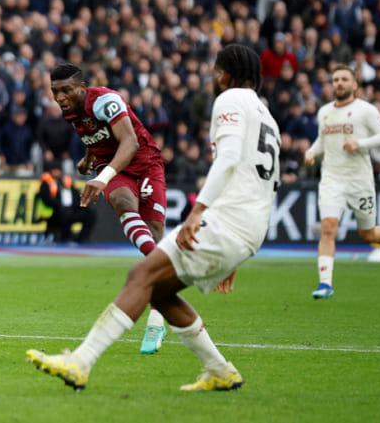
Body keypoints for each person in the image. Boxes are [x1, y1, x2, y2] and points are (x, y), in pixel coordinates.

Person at [27, 44, 281, 391]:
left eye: (213, 72)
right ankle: (219, 370)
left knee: (141, 275)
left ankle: (79, 362)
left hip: (222, 218)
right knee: (156, 289)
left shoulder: (229, 100)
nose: (211, 79)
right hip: (250, 227)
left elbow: (228, 159)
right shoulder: (266, 116)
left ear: (224, 75)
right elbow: (263, 181)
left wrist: (198, 212)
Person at [47, 63, 168, 354]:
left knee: (154, 232)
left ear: (81, 87)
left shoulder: (105, 100)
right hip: (112, 168)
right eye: (55, 92)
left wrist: (101, 178)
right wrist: (90, 157)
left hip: (145, 161)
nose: (60, 97)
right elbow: (95, 131)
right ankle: (164, 267)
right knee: (122, 202)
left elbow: (129, 140)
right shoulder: (69, 110)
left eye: (66, 90)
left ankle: (157, 317)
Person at [304, 65, 380, 299]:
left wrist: (359, 144)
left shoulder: (366, 111)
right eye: (335, 79)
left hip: (359, 181)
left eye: (344, 79)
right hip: (332, 179)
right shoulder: (325, 112)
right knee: (328, 228)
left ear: (354, 85)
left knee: (368, 234)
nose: (339, 83)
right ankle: (325, 284)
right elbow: (322, 141)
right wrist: (311, 153)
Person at [37, 160, 96, 244]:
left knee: (90, 215)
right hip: (55, 211)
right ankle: (66, 239)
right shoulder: (47, 182)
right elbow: (46, 198)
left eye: (59, 170)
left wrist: (79, 205)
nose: (57, 173)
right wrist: (60, 205)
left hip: (71, 209)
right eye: (55, 170)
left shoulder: (66, 181)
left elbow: (76, 195)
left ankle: (80, 239)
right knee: (65, 216)